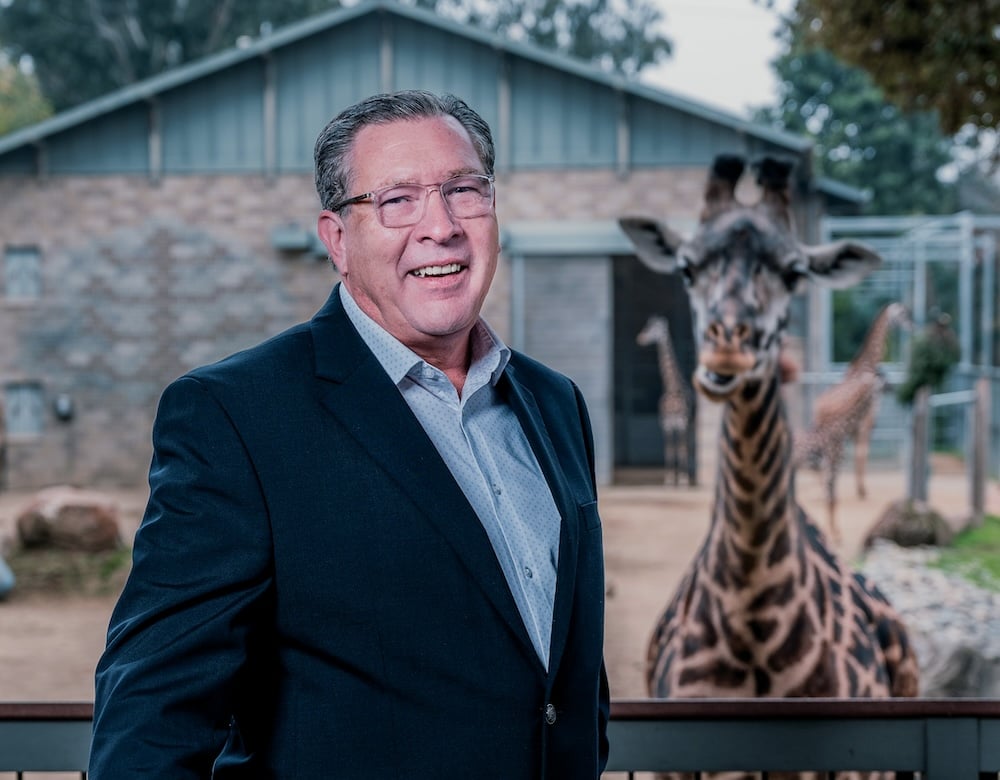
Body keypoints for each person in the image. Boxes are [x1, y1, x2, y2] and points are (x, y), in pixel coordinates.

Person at [89, 89, 609, 779]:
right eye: (396, 200)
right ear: (337, 239)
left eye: (464, 190)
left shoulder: (555, 404)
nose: (441, 226)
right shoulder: (236, 416)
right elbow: (152, 716)